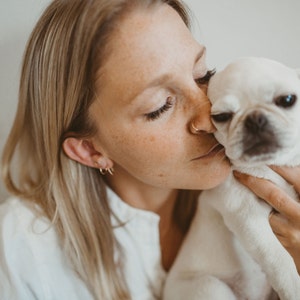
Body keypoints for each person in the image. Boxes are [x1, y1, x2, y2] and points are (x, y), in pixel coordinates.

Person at [0, 0, 299, 299]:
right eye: (160, 107)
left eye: (203, 74)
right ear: (91, 150)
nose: (209, 117)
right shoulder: (23, 253)